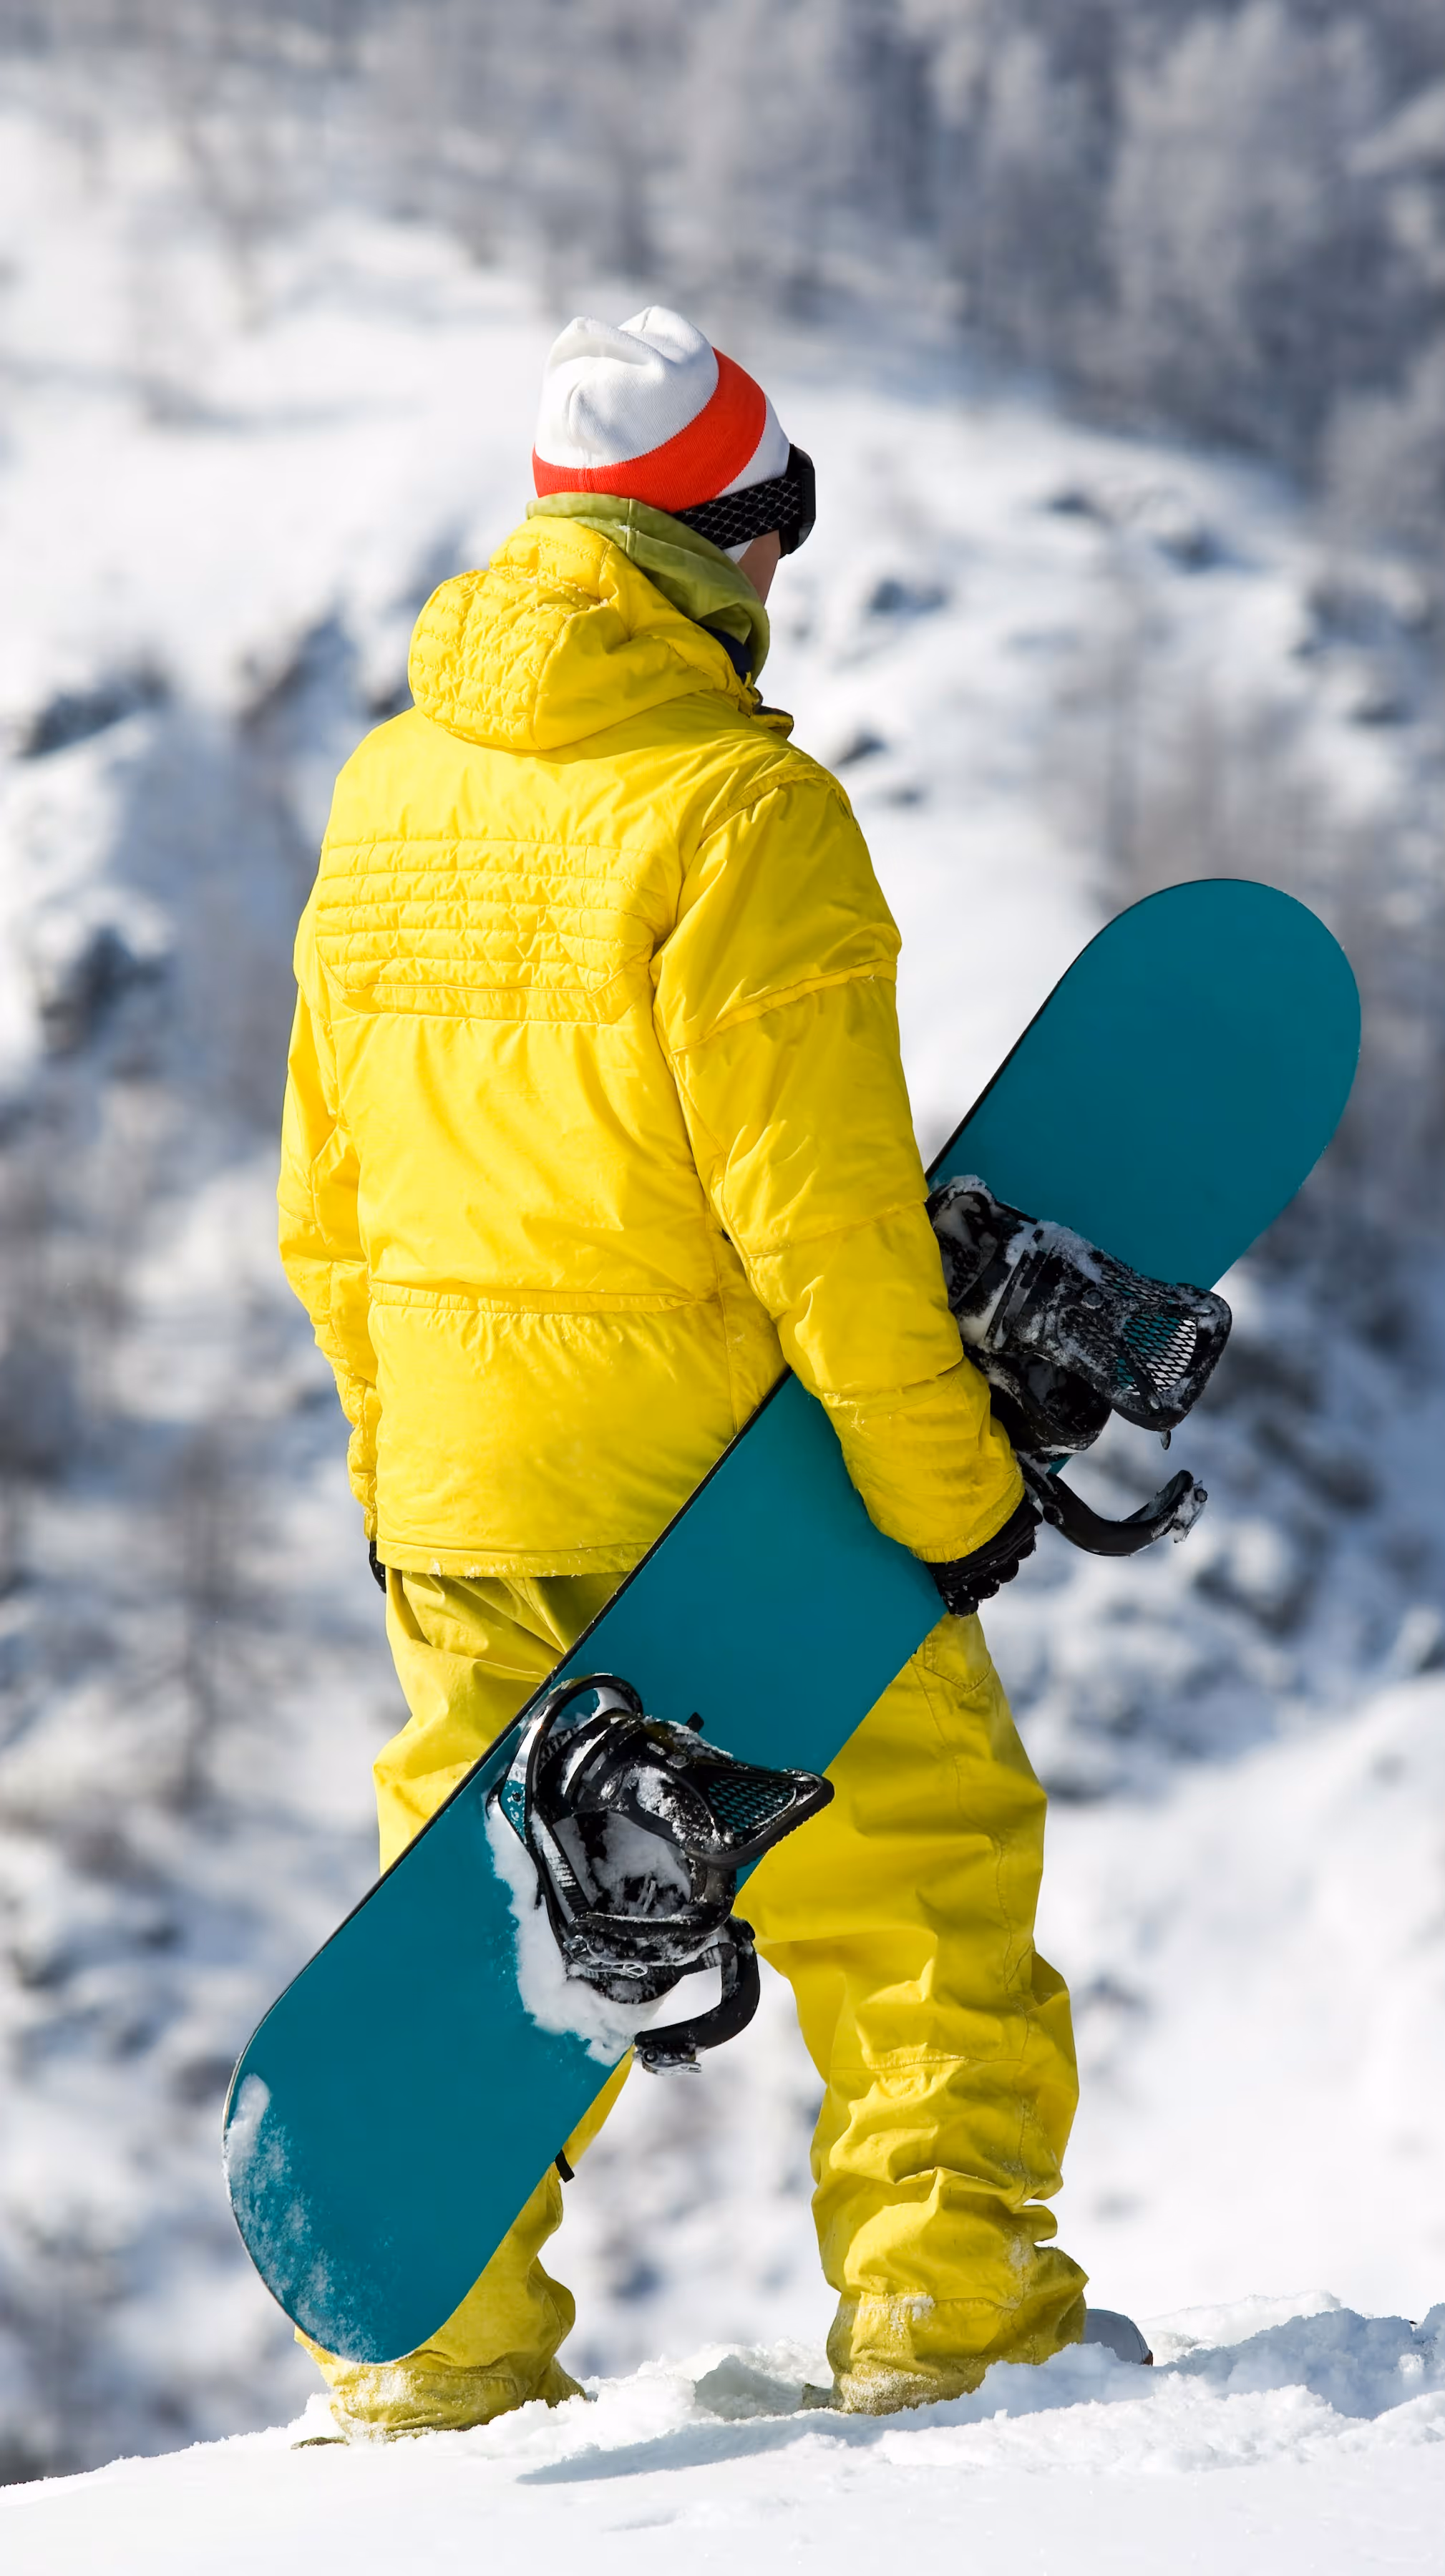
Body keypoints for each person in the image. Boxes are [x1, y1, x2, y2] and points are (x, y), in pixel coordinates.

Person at [279, 307, 1130, 2441]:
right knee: (922, 1870)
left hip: (464, 1492)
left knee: (482, 1934)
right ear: (730, 539)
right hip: (721, 1489)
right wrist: (945, 1493)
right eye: (778, 535)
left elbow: (325, 1208)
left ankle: (437, 2368)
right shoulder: (746, 817)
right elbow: (825, 1225)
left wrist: (409, 1492)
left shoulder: (384, 794)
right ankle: (954, 2327)